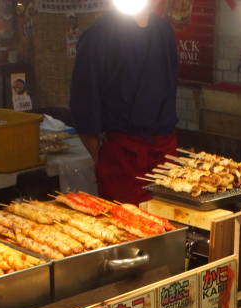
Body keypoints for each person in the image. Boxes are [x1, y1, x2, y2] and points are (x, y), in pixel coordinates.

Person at [69, 1, 178, 204]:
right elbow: (84, 106)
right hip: (122, 159)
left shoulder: (164, 31)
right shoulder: (98, 36)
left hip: (166, 155)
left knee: (171, 222)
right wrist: (100, 159)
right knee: (127, 227)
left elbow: (170, 90)